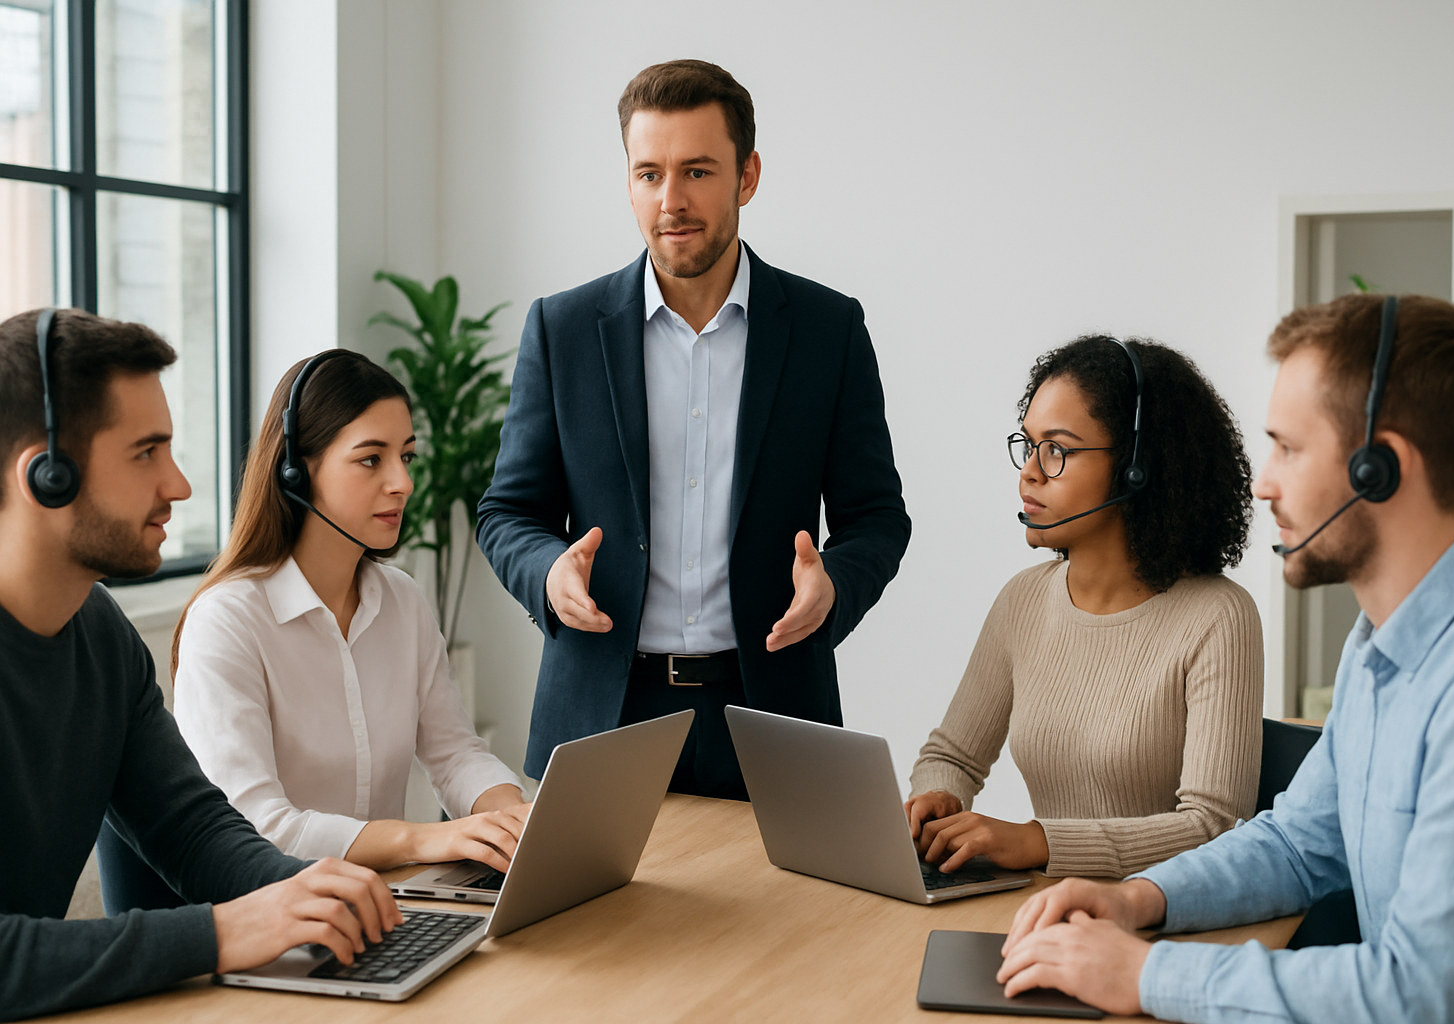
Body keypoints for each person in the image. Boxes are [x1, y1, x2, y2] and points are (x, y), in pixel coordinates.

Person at [996, 294, 1454, 1023]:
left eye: (1289, 447)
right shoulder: (1379, 646)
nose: (1263, 481)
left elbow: (1420, 990)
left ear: (1380, 469)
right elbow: (1298, 845)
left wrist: (1149, 974)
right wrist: (1135, 900)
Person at [476, 59, 910, 799]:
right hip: (603, 718)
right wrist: (548, 574)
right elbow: (508, 513)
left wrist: (834, 584)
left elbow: (876, 518)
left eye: (698, 172)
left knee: (791, 920)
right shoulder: (564, 329)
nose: (670, 201)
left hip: (773, 710)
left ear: (747, 177)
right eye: (648, 174)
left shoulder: (826, 330)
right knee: (593, 923)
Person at [0, 309, 400, 1020]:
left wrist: (311, 897)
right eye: (146, 453)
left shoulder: (99, 633)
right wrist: (219, 932)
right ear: (48, 476)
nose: (179, 485)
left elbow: (190, 830)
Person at [905, 336, 1262, 879]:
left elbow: (1212, 827)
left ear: (1136, 468)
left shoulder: (1218, 616)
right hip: (1043, 911)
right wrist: (939, 798)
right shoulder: (1023, 600)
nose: (1029, 472)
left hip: (1156, 928)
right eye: (1028, 446)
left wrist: (1040, 842)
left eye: (1058, 451)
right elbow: (951, 757)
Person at [168, 349, 530, 873]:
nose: (402, 483)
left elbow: (456, 755)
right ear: (297, 471)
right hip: (282, 915)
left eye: (406, 456)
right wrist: (424, 840)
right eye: (370, 458)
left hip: (394, 905)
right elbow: (253, 824)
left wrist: (513, 821)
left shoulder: (401, 601)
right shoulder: (228, 620)